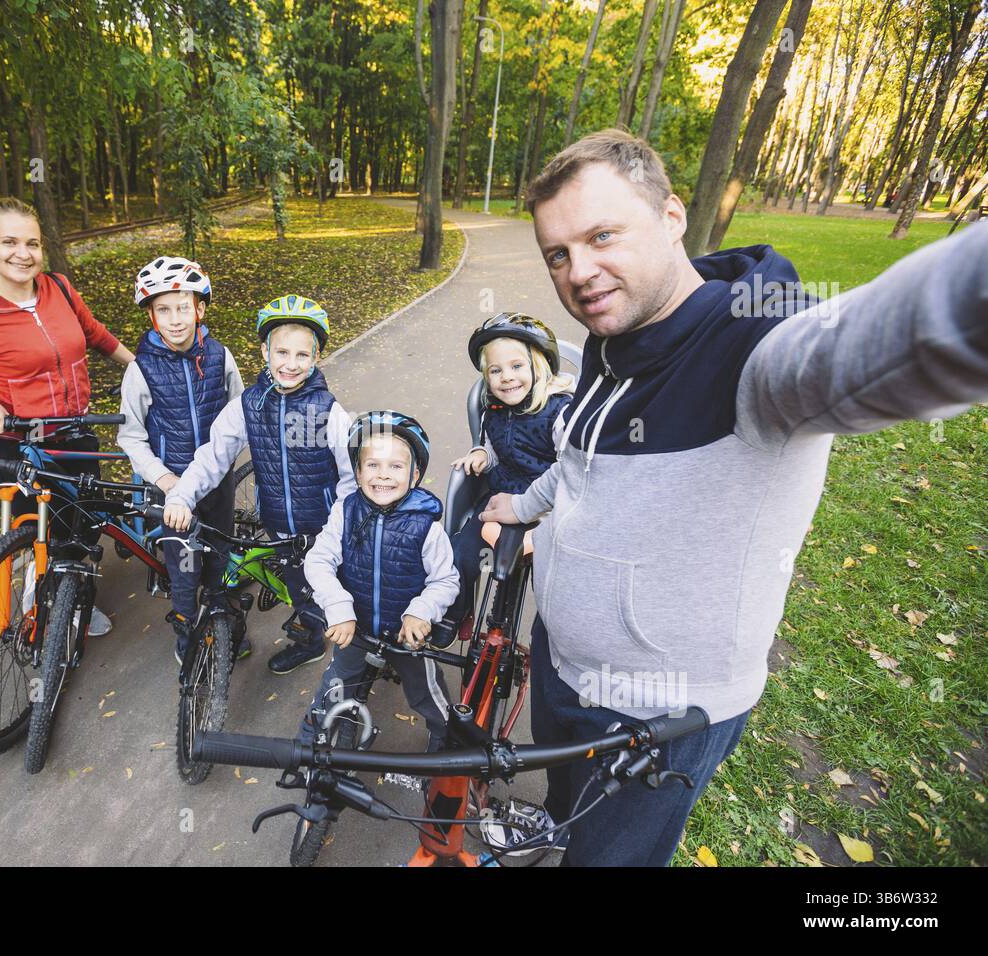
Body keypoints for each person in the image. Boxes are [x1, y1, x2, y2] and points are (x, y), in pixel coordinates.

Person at [479, 127, 988, 865]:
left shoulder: (759, 352)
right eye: (558, 253)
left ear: (673, 217)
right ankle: (556, 823)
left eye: (602, 235)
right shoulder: (612, 344)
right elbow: (579, 465)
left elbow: (890, 340)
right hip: (562, 663)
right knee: (566, 805)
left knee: (609, 859)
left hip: (659, 713)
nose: (579, 271)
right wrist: (521, 507)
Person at [0, 197, 134, 637]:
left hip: (75, 434)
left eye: (32, 243)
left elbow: (95, 335)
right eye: (9, 242)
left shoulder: (58, 288)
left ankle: (75, 602)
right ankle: (38, 609)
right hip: (19, 445)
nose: (23, 253)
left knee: (80, 525)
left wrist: (144, 372)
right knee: (37, 535)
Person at [163, 295, 358, 673]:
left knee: (312, 589)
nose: (291, 363)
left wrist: (339, 526)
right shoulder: (248, 405)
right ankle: (305, 618)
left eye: (303, 355)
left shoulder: (328, 411)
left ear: (315, 358)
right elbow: (214, 454)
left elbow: (351, 475)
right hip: (275, 518)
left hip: (321, 525)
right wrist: (182, 495)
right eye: (282, 352)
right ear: (264, 351)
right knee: (292, 579)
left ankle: (312, 639)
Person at [297, 412, 459, 752]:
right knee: (335, 686)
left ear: (415, 475)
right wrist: (337, 604)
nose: (383, 474)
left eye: (396, 467)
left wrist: (421, 612)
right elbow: (318, 560)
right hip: (354, 629)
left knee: (425, 690)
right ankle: (309, 746)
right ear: (357, 472)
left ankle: (447, 735)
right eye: (372, 465)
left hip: (404, 632)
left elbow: (445, 580)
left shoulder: (427, 527)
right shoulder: (345, 512)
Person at [115, 256, 248, 666]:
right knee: (186, 562)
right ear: (152, 316)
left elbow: (240, 410)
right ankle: (187, 626)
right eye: (163, 309)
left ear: (200, 308)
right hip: (172, 488)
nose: (175, 319)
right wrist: (162, 477)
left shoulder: (220, 357)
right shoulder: (141, 370)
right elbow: (131, 435)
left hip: (217, 480)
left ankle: (225, 619)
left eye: (183, 307)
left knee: (220, 552)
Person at [446, 313, 574, 628]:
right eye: (495, 370)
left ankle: (554, 632)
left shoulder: (559, 412)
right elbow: (491, 448)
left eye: (517, 366)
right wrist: (480, 455)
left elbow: (570, 466)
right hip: (500, 495)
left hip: (548, 505)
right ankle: (455, 612)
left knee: (553, 576)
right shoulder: (494, 410)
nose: (506, 377)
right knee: (461, 553)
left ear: (539, 367)